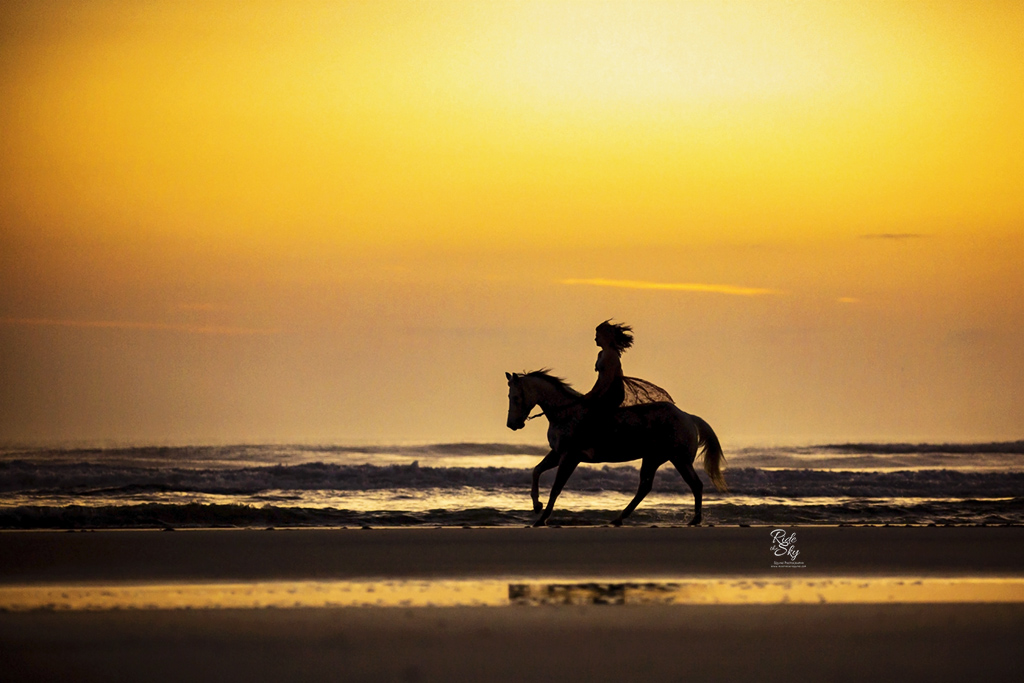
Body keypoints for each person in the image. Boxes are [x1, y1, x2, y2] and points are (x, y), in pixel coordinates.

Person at [573, 321, 673, 458]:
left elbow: (608, 381)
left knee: (596, 414)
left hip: (613, 392)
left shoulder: (611, 355)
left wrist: (596, 395)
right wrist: (591, 393)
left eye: (598, 335)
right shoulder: (601, 354)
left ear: (606, 337)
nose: (595, 338)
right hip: (603, 389)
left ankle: (593, 447)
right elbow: (600, 379)